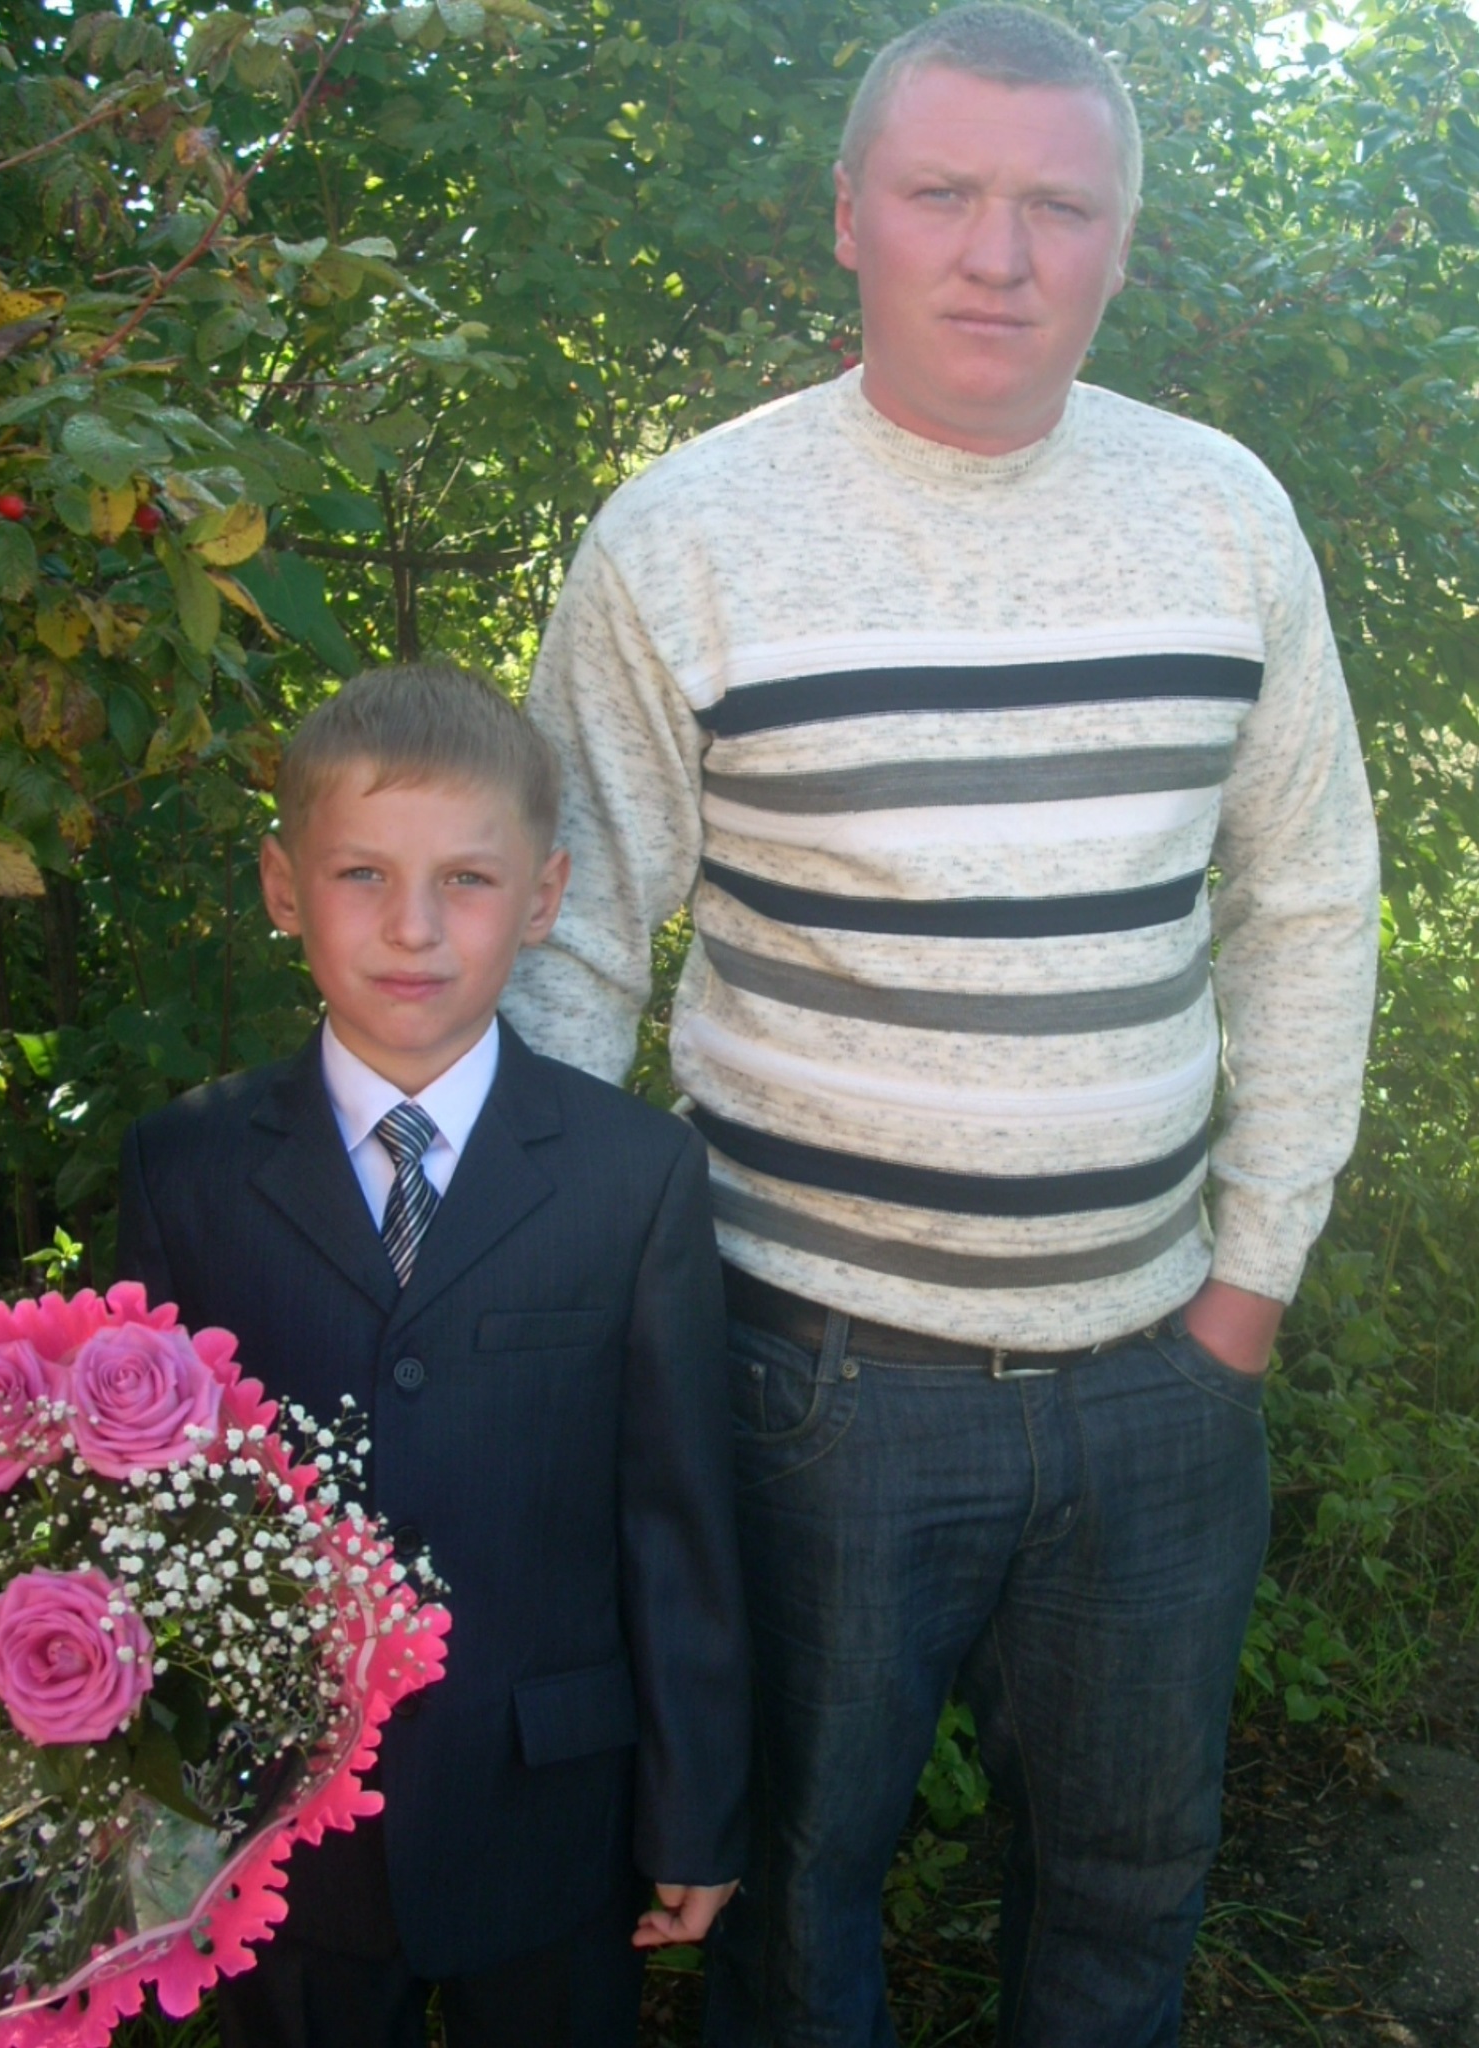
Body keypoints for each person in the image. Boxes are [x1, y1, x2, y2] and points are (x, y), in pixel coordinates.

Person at [499, 6, 1381, 2042]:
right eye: (944, 192)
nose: (1000, 252)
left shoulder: (1225, 513)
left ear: (1122, 241)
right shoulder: (685, 536)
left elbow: (1311, 900)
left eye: (1059, 204)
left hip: (1161, 1374)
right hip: (802, 1383)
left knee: (1129, 1887)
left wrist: (1247, 1289)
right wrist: (557, 1339)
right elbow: (577, 949)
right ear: (849, 219)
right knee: (794, 1898)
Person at [117, 662, 749, 2048]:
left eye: (467, 880)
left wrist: (694, 1808)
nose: (413, 928)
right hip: (283, 1832)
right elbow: (152, 1518)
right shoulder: (187, 1170)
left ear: (544, 896)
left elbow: (677, 1526)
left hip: (551, 1811)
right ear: (284, 887)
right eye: (362, 874)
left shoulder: (634, 1174)